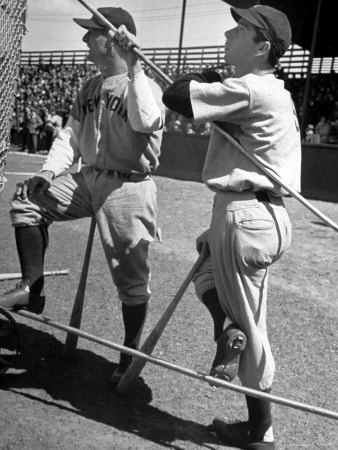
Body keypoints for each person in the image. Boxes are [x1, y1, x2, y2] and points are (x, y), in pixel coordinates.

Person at [0, 6, 165, 385]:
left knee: (131, 281)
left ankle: (129, 350)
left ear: (114, 37)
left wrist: (135, 64)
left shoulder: (146, 84)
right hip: (88, 177)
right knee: (26, 199)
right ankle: (32, 288)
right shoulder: (90, 86)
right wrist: (47, 171)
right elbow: (71, 137)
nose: (85, 39)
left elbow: (146, 121)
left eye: (92, 33)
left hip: (129, 186)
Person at [162, 5, 301, 450]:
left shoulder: (253, 89)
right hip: (260, 215)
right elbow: (201, 101)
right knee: (207, 272)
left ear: (262, 47)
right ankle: (229, 337)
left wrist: (202, 76)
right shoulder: (265, 90)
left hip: (246, 213)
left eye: (240, 29)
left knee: (251, 328)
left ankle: (262, 433)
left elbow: (176, 96)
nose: (227, 31)